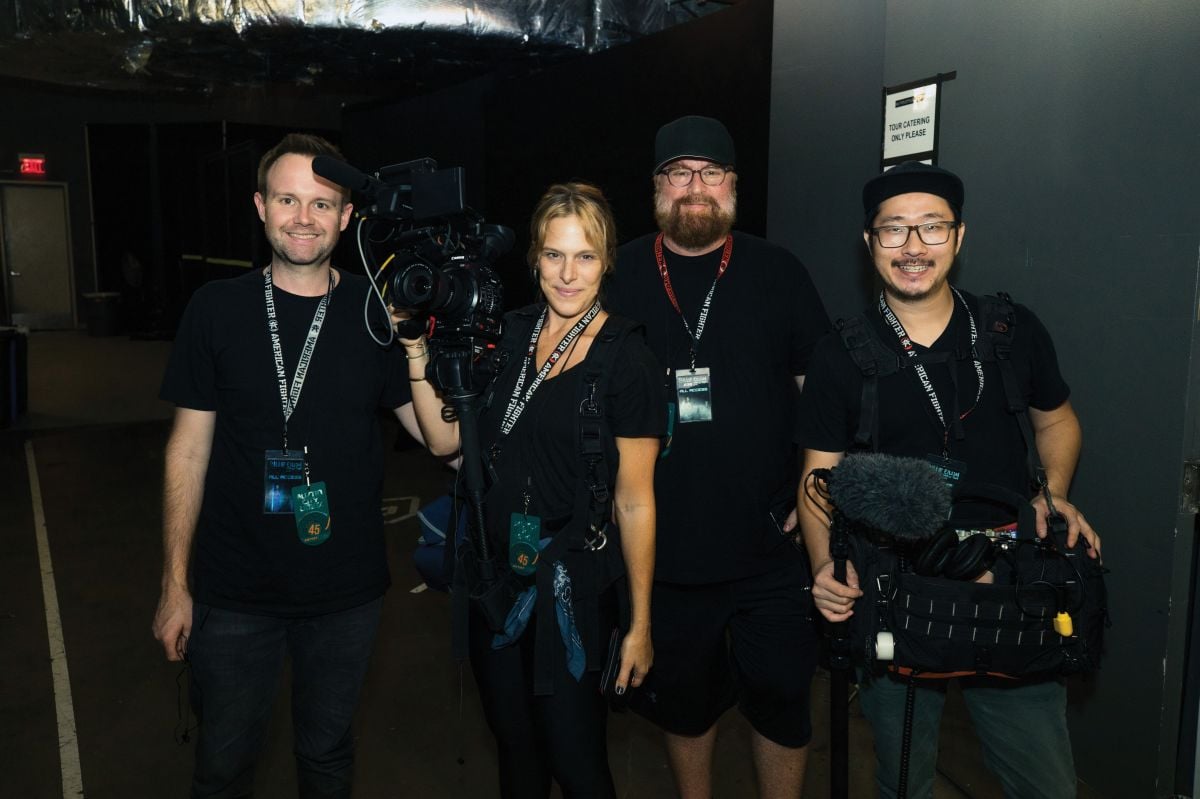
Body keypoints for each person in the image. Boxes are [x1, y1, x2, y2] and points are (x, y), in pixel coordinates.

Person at [797, 160, 1102, 798]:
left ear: (959, 237)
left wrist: (1054, 491)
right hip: (897, 585)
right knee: (904, 780)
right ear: (869, 243)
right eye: (894, 230)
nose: (913, 248)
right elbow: (819, 477)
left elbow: (1059, 422)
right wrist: (825, 567)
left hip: (1007, 583)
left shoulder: (1011, 334)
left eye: (932, 228)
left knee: (1045, 783)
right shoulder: (840, 353)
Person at [152, 133, 418, 798]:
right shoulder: (215, 309)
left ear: (347, 216)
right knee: (222, 765)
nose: (305, 216)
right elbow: (187, 448)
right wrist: (175, 582)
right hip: (234, 588)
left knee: (327, 757)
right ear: (260, 206)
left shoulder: (373, 311)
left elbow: (439, 440)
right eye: (289, 199)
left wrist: (421, 348)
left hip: (345, 591)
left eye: (323, 203)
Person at [403, 182, 665, 798]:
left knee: (576, 764)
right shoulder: (505, 333)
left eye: (585, 256)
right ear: (534, 259)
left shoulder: (628, 359)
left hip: (571, 588)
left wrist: (640, 624)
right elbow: (445, 444)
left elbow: (635, 500)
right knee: (516, 757)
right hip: (495, 576)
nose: (568, 274)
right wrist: (416, 345)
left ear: (607, 261)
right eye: (553, 255)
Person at [603, 115, 831, 798]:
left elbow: (818, 396)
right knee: (684, 703)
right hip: (662, 552)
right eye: (679, 173)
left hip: (771, 546)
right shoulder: (618, 273)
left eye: (709, 173)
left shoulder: (778, 271)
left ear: (733, 185)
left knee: (783, 703)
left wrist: (809, 489)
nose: (694, 187)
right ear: (656, 188)